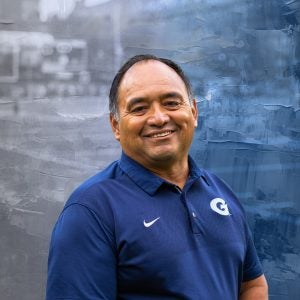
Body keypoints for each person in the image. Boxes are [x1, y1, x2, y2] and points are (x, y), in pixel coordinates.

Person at [46, 54, 268, 299]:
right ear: (116, 126)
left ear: (193, 112)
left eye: (171, 103)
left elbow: (252, 285)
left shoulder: (220, 192)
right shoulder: (91, 211)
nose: (159, 118)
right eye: (139, 108)